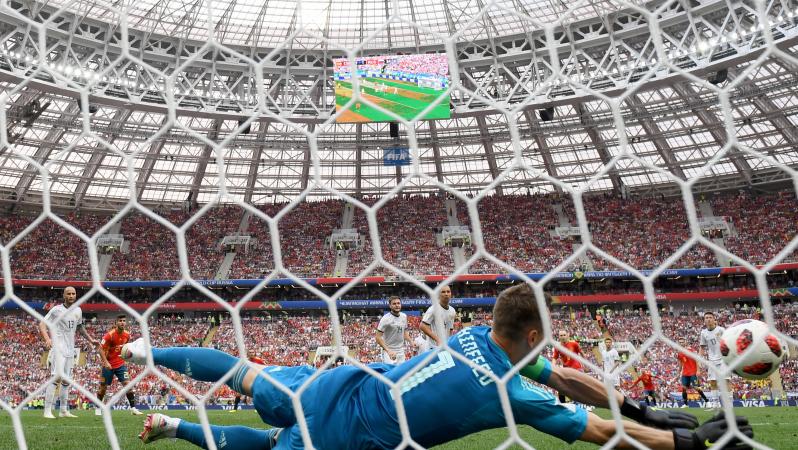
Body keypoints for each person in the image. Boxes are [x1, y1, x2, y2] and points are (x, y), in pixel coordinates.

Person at [125, 283, 752, 449]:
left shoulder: (478, 336)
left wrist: (639, 407)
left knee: (242, 372)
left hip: (341, 383)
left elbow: (566, 379)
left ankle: (148, 356)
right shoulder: (506, 391)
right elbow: (597, 431)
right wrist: (686, 442)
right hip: (353, 435)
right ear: (533, 335)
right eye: (547, 338)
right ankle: (176, 426)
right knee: (269, 449)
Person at [38, 286, 98, 418]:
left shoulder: (78, 310)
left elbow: (80, 327)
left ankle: (63, 410)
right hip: (59, 348)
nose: (71, 296)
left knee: (66, 381)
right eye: (69, 294)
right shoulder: (56, 310)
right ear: (64, 296)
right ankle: (47, 411)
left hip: (71, 349)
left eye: (73, 293)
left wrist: (91, 340)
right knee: (56, 378)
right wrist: (47, 339)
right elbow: (42, 324)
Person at [96, 315, 142, 416]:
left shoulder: (127, 335)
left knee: (128, 385)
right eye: (120, 321)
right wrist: (106, 362)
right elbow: (100, 349)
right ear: (116, 322)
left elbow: (125, 348)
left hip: (120, 364)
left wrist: (127, 358)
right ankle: (98, 408)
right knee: (103, 388)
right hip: (108, 365)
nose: (122, 322)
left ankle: (133, 408)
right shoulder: (109, 335)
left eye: (124, 321)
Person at [699, 312, 727, 406]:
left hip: (723, 359)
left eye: (710, 317)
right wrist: (700, 360)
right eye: (706, 318)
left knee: (726, 380)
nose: (708, 319)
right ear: (704, 320)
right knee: (713, 381)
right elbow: (702, 347)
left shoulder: (721, 330)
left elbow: (728, 341)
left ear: (714, 319)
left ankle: (729, 403)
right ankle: (715, 404)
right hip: (712, 360)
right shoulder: (703, 333)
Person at [375, 296, 412, 364]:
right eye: (394, 304)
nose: (397, 305)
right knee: (391, 370)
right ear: (390, 306)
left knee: (401, 370)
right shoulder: (385, 319)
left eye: (398, 303)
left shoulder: (404, 316)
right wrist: (388, 350)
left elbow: (404, 332)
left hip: (401, 350)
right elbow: (378, 337)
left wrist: (411, 341)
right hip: (389, 351)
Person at [553, 329, 583, 403]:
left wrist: (585, 364)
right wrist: (552, 366)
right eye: (561, 335)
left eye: (564, 335)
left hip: (577, 368)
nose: (563, 337)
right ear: (559, 337)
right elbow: (554, 358)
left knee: (579, 386)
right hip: (566, 369)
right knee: (561, 386)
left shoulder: (574, 344)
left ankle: (581, 402)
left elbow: (582, 353)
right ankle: (563, 404)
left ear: (567, 335)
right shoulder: (557, 347)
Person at [677, 338, 709, 406]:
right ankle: (685, 405)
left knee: (696, 388)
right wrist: (678, 373)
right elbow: (680, 364)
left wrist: (698, 370)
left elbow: (696, 359)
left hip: (693, 372)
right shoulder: (679, 353)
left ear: (685, 342)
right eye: (680, 342)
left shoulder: (691, 350)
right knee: (684, 388)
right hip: (685, 373)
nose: (681, 343)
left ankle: (707, 401)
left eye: (682, 342)